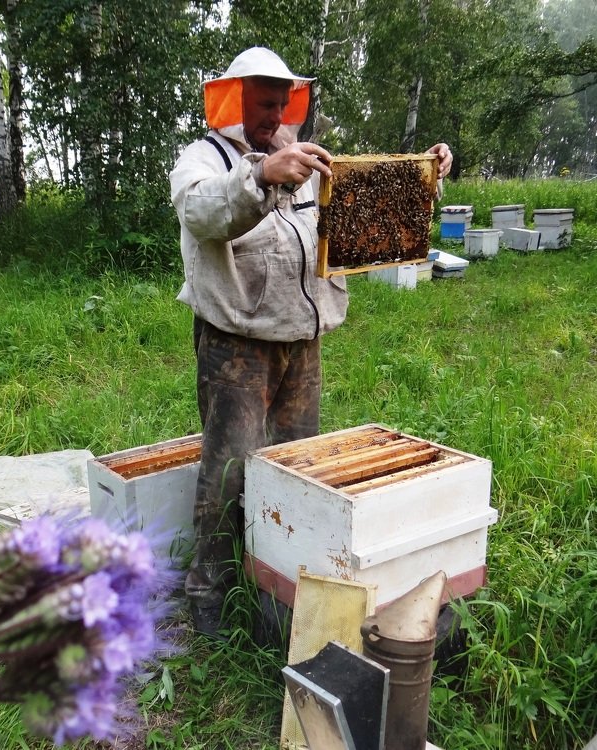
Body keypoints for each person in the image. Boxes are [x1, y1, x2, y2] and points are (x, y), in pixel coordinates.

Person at [169, 46, 453, 636]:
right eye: (261, 104)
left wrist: (422, 174)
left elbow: (359, 209)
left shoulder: (301, 157)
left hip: (303, 340)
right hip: (236, 343)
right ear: (233, 100)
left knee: (298, 468)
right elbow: (202, 214)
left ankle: (280, 576)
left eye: (279, 103)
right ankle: (208, 592)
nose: (272, 116)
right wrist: (259, 176)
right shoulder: (203, 158)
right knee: (229, 470)